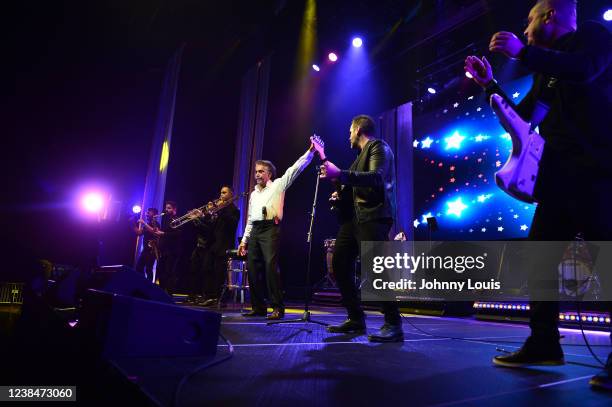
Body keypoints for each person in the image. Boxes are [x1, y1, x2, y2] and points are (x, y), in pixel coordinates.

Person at [464, 0, 612, 388]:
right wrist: (489, 86)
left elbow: (585, 70)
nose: (525, 27)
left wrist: (524, 53)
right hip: (559, 178)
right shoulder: (546, 73)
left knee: (606, 262)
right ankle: (544, 342)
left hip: (598, 173)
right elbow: (523, 118)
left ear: (550, 16)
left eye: (530, 19)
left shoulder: (593, 36)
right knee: (540, 260)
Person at [319, 115, 403, 342]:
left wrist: (341, 174)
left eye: (349, 131)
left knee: (376, 269)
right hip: (353, 220)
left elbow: (376, 178)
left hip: (373, 216)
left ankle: (393, 323)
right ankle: (356, 319)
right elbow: (354, 187)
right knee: (339, 264)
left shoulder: (378, 147)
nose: (348, 135)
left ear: (357, 130)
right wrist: (339, 190)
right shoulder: (358, 159)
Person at [238, 137, 323, 320]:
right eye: (256, 172)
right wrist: (244, 241)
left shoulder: (278, 186)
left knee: (270, 266)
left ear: (269, 174)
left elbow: (295, 169)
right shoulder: (253, 194)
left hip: (271, 229)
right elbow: (250, 219)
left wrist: (310, 152)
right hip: (256, 231)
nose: (257, 174)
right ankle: (258, 307)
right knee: (252, 268)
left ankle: (277, 307)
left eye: (261, 171)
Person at [189, 186, 240, 307]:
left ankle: (218, 298)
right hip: (212, 245)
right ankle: (208, 296)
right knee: (207, 269)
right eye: (221, 192)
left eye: (224, 192)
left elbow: (232, 225)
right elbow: (209, 228)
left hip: (224, 245)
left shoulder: (234, 210)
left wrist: (221, 209)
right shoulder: (218, 211)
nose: (221, 195)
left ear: (231, 195)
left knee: (219, 273)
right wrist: (201, 217)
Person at [157, 201, 182, 293]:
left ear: (174, 209)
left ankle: (169, 293)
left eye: (169, 208)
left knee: (169, 271)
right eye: (166, 208)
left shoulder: (177, 219)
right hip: (165, 249)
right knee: (160, 270)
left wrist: (163, 233)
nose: (166, 210)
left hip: (172, 250)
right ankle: (161, 291)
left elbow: (178, 234)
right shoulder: (167, 219)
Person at [133, 207, 161, 281]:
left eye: (149, 212)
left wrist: (143, 223)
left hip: (152, 250)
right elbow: (139, 233)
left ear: (155, 214)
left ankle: (149, 287)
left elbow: (155, 231)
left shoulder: (156, 224)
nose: (147, 213)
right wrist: (133, 224)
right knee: (139, 267)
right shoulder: (147, 224)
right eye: (147, 212)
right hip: (146, 249)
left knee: (149, 269)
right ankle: (142, 283)